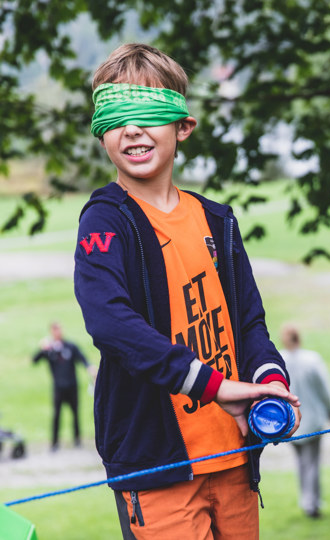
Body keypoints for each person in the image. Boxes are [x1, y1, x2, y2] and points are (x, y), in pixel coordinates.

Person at [73, 43, 300, 540]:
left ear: (183, 126)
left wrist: (269, 379)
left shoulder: (217, 219)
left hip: (234, 452)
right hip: (157, 464)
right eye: (116, 116)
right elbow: (110, 323)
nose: (132, 129)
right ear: (101, 132)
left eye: (147, 114)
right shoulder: (106, 221)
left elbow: (249, 322)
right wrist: (216, 387)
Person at [278, 323, 330, 518]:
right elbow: (325, 388)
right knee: (311, 463)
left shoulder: (279, 361)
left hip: (289, 423)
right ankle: (312, 504)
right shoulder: (312, 360)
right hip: (312, 420)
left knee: (302, 463)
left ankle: (306, 500)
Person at [32, 321, 95, 451]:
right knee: (57, 415)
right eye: (55, 330)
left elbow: (82, 358)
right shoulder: (49, 350)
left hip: (72, 385)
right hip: (58, 387)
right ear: (51, 332)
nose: (58, 332)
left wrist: (90, 368)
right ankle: (54, 443)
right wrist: (42, 349)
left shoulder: (70, 346)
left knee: (75, 413)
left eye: (59, 329)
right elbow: (35, 360)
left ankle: (77, 439)